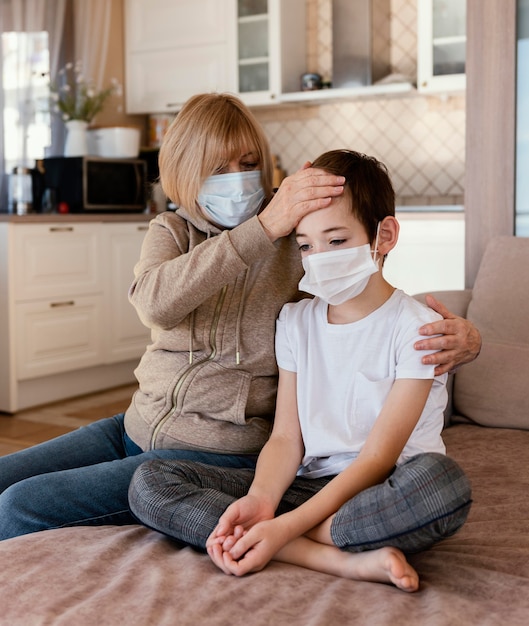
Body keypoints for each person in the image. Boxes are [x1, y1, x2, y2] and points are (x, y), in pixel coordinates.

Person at [0, 94, 479, 541]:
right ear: (184, 174)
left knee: (21, 505)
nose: (238, 178)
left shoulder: (296, 231)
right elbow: (154, 303)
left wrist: (467, 338)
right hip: (132, 426)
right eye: (216, 168)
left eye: (249, 164)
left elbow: (361, 281)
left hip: (215, 449)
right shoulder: (171, 230)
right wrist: (261, 228)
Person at [128, 149, 473, 592]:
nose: (319, 257)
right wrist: (261, 501)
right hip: (306, 487)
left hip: (379, 488)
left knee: (442, 488)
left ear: (384, 235)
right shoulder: (295, 321)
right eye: (306, 245)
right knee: (151, 481)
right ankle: (336, 558)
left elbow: (377, 458)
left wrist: (283, 525)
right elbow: (286, 437)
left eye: (336, 241)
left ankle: (285, 539)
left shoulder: (418, 329)